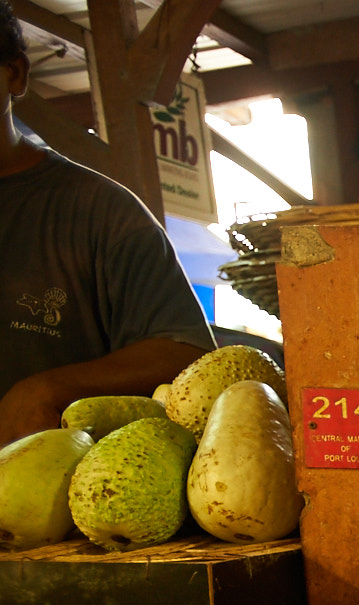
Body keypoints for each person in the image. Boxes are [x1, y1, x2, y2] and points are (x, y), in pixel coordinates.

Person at [0, 0, 214, 445]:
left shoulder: (100, 212)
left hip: (55, 499)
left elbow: (188, 354)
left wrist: (51, 387)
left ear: (14, 74)